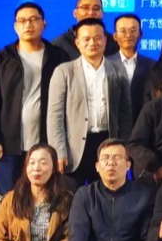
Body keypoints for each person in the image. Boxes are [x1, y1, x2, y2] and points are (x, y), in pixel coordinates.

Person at [0, 1, 66, 193]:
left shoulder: (58, 57)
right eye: (22, 20)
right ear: (15, 26)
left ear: (44, 24)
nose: (28, 24)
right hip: (8, 146)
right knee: (9, 197)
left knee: (45, 196)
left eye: (34, 19)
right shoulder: (1, 59)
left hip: (46, 144)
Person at [46, 18, 133, 186]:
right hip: (73, 148)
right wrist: (59, 151)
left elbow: (125, 114)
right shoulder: (64, 71)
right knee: (69, 197)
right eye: (86, 39)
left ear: (105, 40)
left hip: (107, 144)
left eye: (98, 38)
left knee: (105, 195)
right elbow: (54, 117)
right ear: (77, 43)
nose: (92, 43)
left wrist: (124, 149)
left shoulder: (118, 69)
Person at [107, 14, 155, 129]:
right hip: (113, 128)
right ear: (115, 36)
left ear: (140, 34)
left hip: (143, 127)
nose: (128, 35)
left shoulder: (152, 66)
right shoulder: (105, 64)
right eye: (123, 31)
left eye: (133, 31)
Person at [50, 0, 120, 61]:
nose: (91, 13)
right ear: (75, 13)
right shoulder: (59, 44)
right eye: (85, 8)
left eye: (96, 8)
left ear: (102, 14)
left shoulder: (115, 43)